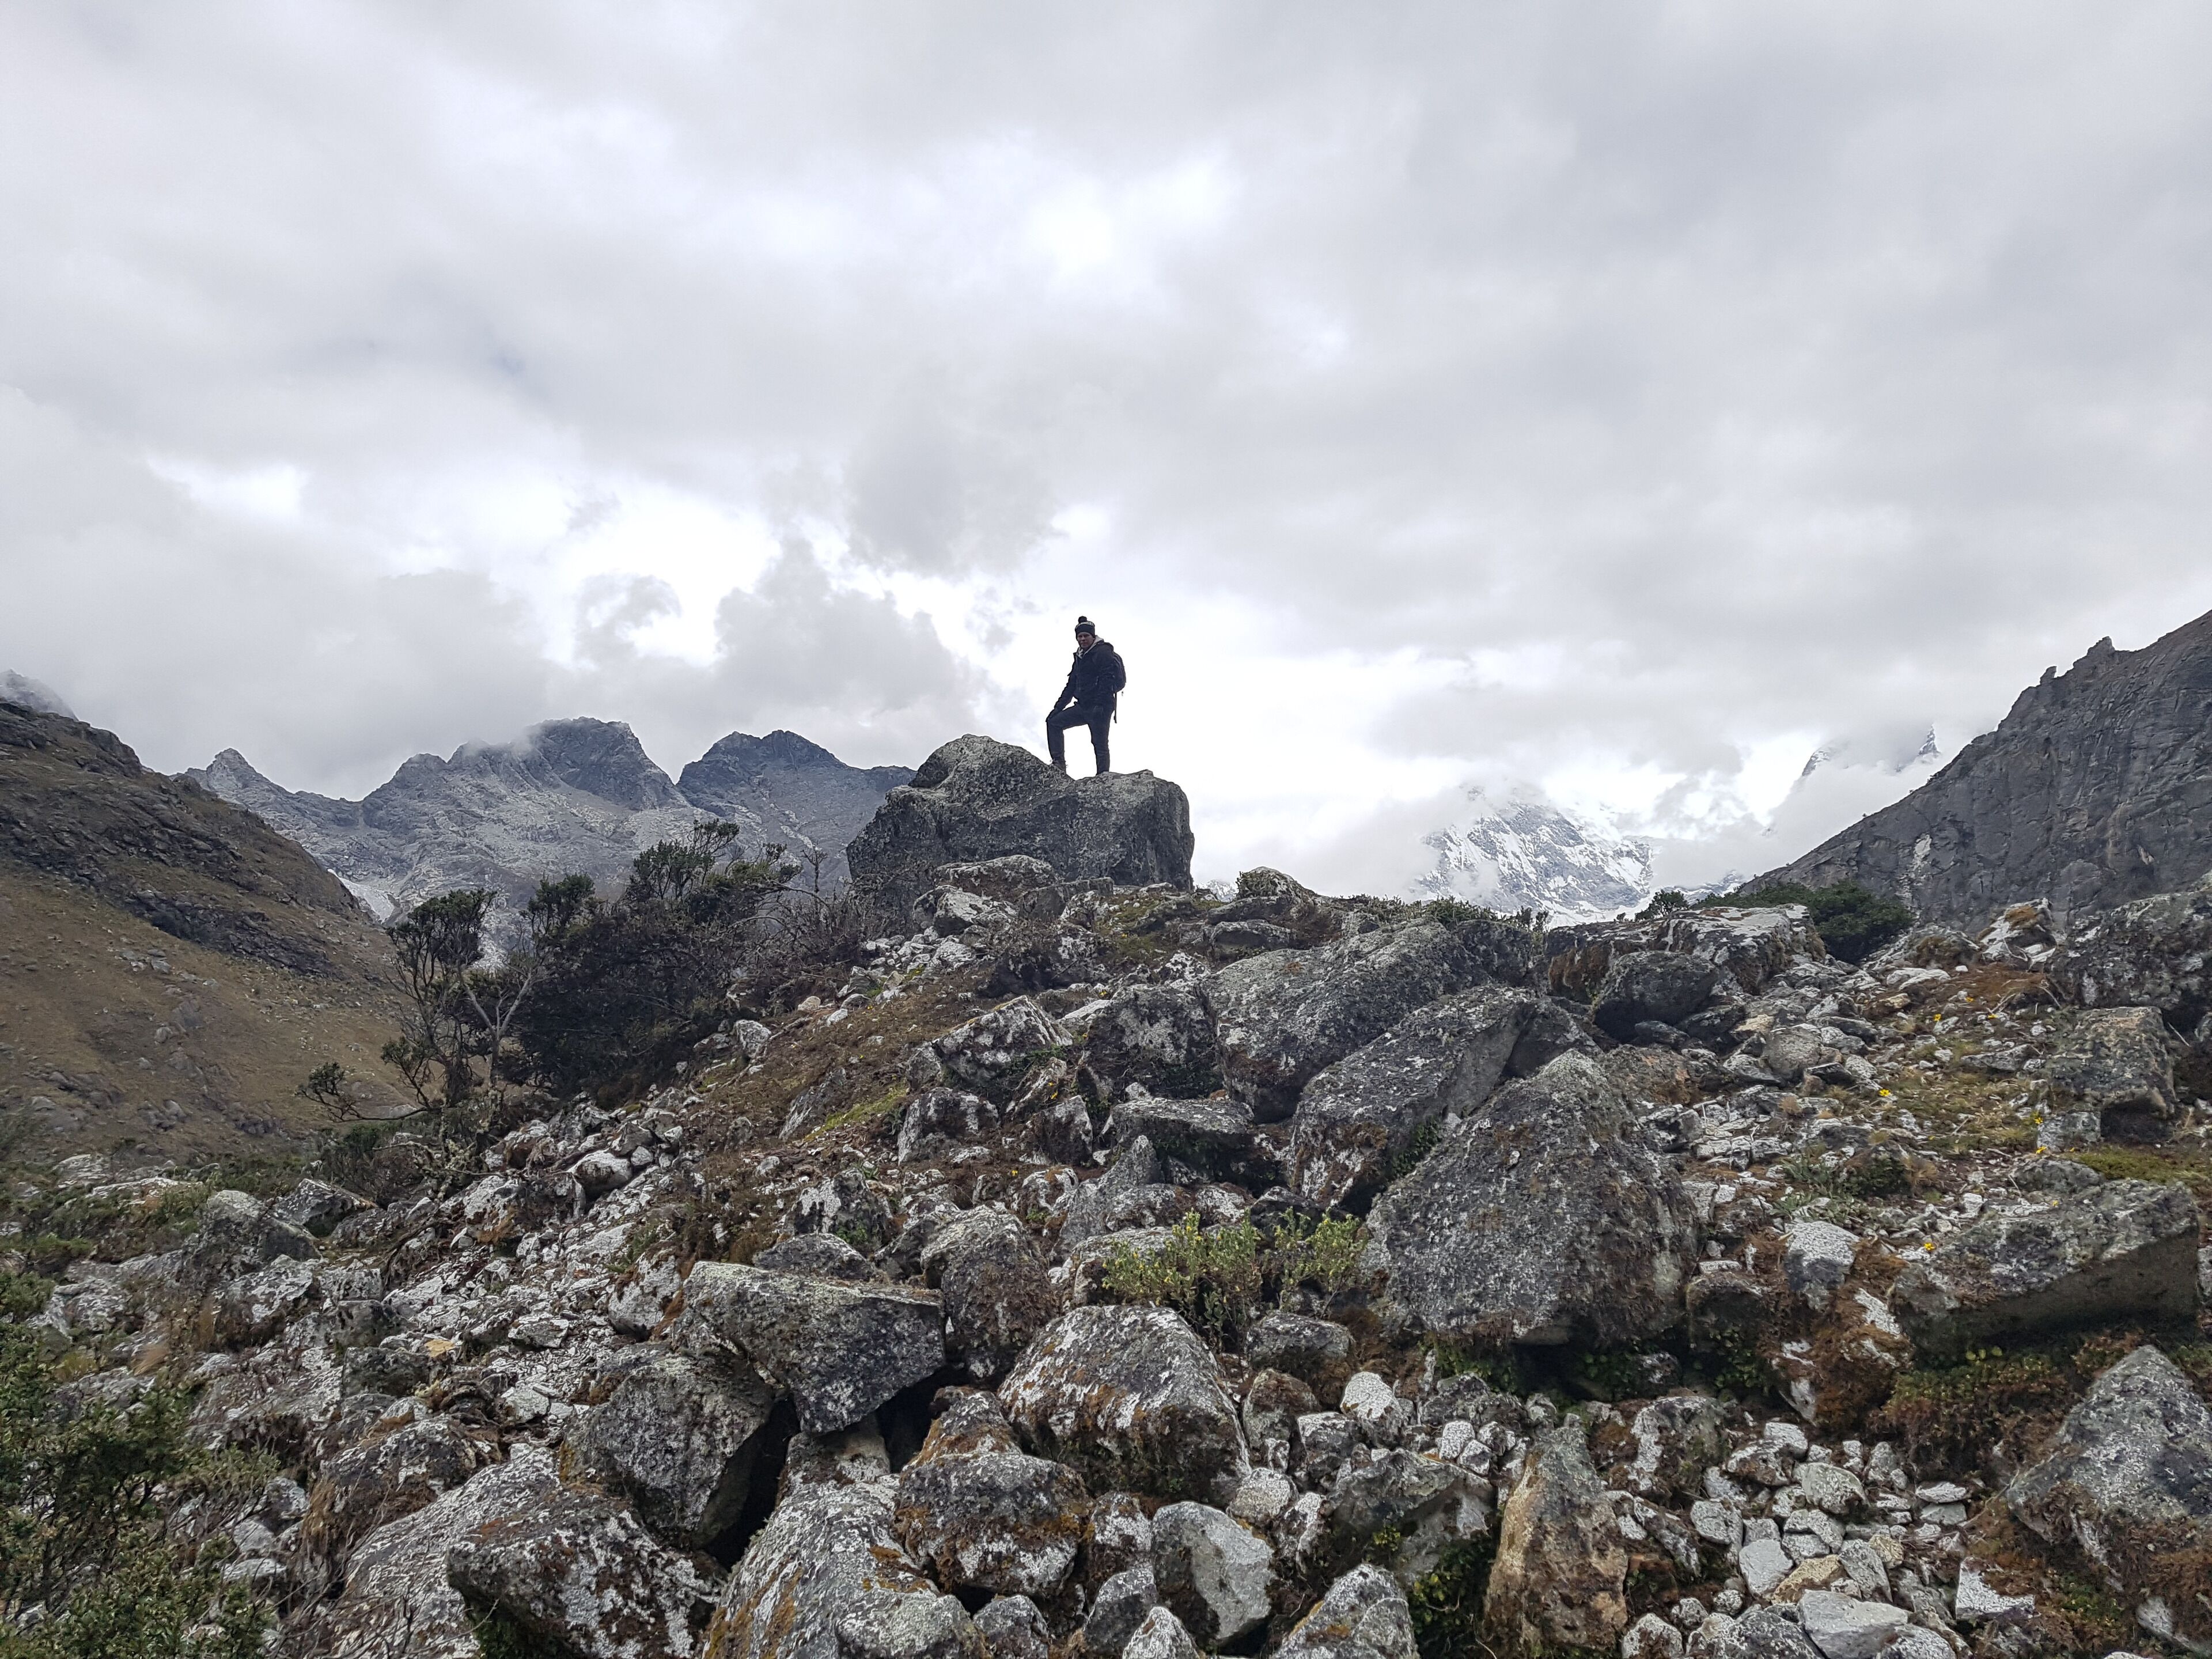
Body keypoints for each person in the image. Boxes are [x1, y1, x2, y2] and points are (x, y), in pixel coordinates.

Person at [1046, 615, 1125, 774]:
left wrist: (1100, 705)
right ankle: (1059, 764)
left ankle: (1103, 777)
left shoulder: (1103, 652)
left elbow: (1107, 679)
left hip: (1102, 707)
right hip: (1083, 706)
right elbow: (1071, 685)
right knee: (1053, 723)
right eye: (1079, 637)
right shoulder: (1079, 657)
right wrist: (1058, 708)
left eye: (1085, 636)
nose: (1082, 639)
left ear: (1093, 636)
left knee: (1099, 743)